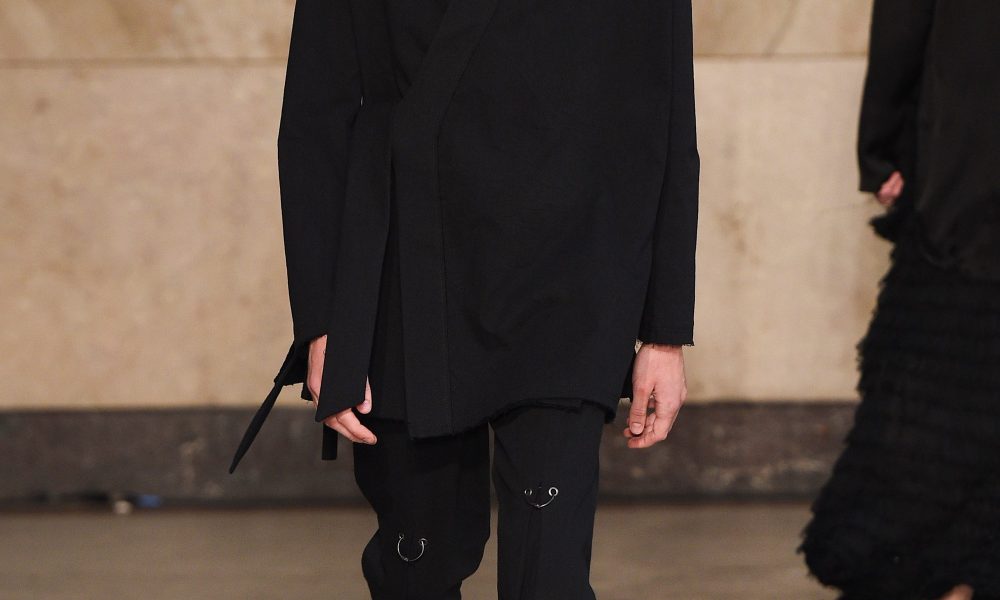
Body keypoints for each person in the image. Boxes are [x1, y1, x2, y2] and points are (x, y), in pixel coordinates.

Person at [229, 0, 699, 597]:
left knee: (548, 575)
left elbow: (663, 116)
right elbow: (317, 116)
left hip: (571, 280)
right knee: (418, 563)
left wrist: (664, 332)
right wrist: (325, 322)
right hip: (407, 271)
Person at [801, 2, 1000, 599]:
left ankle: (954, 573)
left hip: (966, 179)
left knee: (943, 389)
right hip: (967, 177)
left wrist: (882, 149)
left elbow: (904, 25)